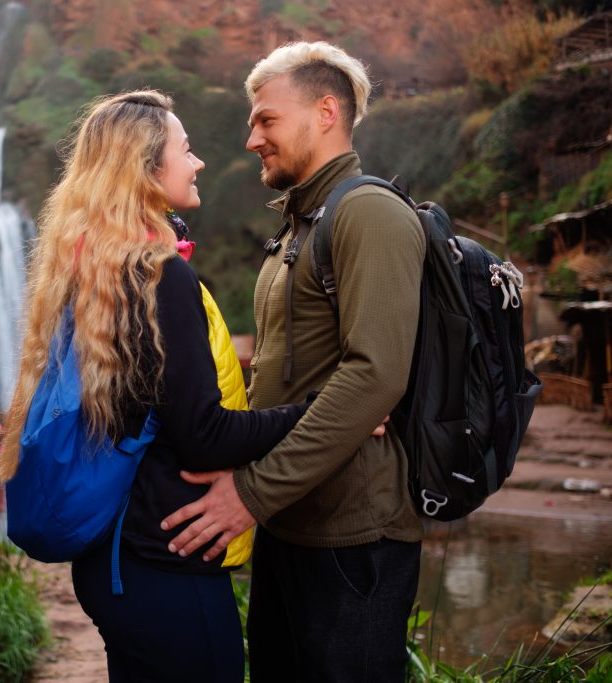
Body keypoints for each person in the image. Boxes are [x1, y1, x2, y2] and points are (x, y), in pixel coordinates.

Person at [0, 90, 335, 682]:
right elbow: (205, 436)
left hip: (114, 563)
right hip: (165, 568)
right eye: (186, 150)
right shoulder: (160, 276)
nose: (198, 161)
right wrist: (320, 413)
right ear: (148, 168)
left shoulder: (95, 267)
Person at [161, 41, 425, 682]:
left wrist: (249, 494)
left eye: (266, 119)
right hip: (292, 524)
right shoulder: (302, 225)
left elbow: (375, 376)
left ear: (326, 112)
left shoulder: (369, 214)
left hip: (353, 536)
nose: (252, 138)